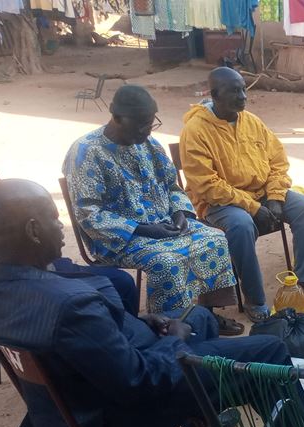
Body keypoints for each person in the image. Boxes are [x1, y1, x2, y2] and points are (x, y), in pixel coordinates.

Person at [0, 178, 304, 427]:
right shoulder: (68, 307)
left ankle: (201, 424)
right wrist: (174, 341)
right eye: (55, 220)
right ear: (33, 231)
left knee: (202, 318)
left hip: (80, 389)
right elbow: (139, 382)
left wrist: (136, 321)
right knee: (267, 350)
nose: (62, 228)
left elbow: (85, 329)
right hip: (121, 407)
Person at [0, 97, 138, 363]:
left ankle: (116, 355)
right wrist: (39, 280)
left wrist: (46, 268)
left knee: (118, 283)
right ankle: (105, 368)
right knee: (86, 302)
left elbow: (21, 224)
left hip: (28, 272)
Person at [62, 85, 241, 333]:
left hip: (164, 224)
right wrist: (143, 229)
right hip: (121, 238)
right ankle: (167, 326)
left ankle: (202, 316)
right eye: (140, 125)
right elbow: (89, 213)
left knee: (214, 239)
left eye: (150, 123)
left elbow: (172, 186)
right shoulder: (86, 152)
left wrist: (180, 213)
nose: (147, 130)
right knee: (167, 261)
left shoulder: (148, 143)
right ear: (116, 118)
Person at [179, 67, 304, 323]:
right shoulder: (196, 130)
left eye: (244, 89)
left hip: (262, 194)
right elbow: (206, 185)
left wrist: (274, 197)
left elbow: (278, 161)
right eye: (234, 91)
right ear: (215, 94)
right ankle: (255, 299)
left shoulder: (251, 121)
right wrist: (252, 207)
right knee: (241, 226)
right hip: (220, 202)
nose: (243, 96)